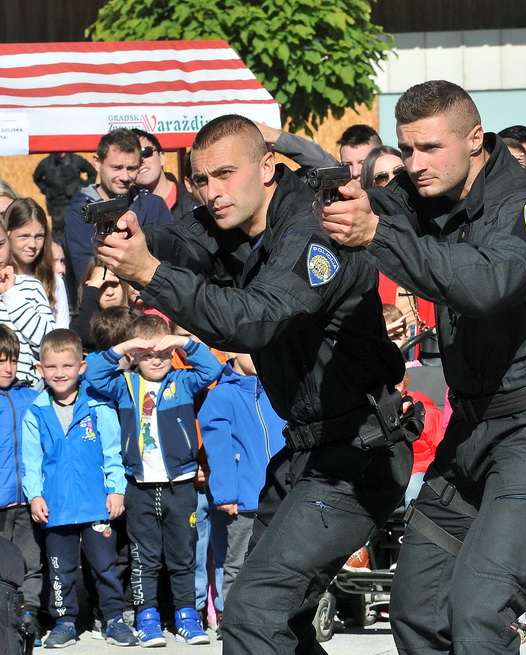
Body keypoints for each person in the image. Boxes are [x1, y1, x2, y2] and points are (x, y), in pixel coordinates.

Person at [94, 113, 411, 654]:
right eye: (201, 180)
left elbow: (254, 318)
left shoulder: (313, 231)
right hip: (308, 451)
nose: (212, 193)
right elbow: (182, 240)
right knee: (275, 620)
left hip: (360, 451)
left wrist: (147, 272)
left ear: (268, 167)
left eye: (224, 175)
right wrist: (134, 236)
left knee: (253, 614)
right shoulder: (234, 218)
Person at [316, 79, 526, 655]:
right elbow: (373, 208)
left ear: (475, 139)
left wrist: (375, 234)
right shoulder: (427, 192)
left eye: (430, 148)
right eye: (406, 149)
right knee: (416, 610)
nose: (415, 165)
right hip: (467, 428)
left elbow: (485, 284)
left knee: (479, 614)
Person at [85, 315, 222, 646]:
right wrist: (127, 347)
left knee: (182, 555)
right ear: (134, 357)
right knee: (144, 557)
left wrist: (180, 342)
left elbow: (212, 369)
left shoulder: (182, 382)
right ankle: (147, 618)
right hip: (140, 487)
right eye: (147, 354)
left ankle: (187, 616)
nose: (156, 360)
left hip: (180, 485)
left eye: (161, 353)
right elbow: (93, 372)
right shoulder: (125, 384)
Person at [21, 329, 137, 648]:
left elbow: (113, 452)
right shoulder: (35, 412)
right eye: (52, 367)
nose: (60, 373)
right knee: (61, 572)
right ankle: (65, 622)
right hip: (55, 508)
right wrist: (35, 495)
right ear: (40, 369)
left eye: (67, 366)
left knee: (105, 566)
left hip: (97, 504)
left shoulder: (98, 405)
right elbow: (31, 460)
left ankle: (113, 618)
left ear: (81, 367)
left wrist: (115, 490)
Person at [199, 352, 286, 613]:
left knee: (281, 562)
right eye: (252, 350)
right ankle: (233, 618)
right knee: (238, 563)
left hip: (282, 495)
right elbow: (219, 449)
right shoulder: (221, 396)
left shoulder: (278, 390)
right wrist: (226, 495)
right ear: (232, 352)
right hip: (244, 500)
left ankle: (272, 615)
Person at [62, 128, 173, 292]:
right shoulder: (80, 214)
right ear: (97, 162)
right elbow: (87, 276)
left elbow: (172, 263)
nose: (125, 177)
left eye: (131, 168)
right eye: (117, 167)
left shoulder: (154, 206)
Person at [0, 324, 44, 640]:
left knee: (31, 563)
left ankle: (28, 619)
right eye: (0, 361)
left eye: (12, 360)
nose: (8, 367)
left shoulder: (31, 397)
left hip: (28, 500)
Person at [0, 221, 56, 389]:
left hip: (27, 393)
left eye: (1, 244)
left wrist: (11, 295)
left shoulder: (31, 287)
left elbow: (50, 344)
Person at [3, 197, 70, 328]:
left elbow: (62, 331)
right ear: (7, 234)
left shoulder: (53, 280)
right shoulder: (3, 279)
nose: (32, 244)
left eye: (39, 236)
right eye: (24, 236)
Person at [131, 129, 196, 221]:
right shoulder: (125, 209)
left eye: (146, 152)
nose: (141, 160)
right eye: (133, 158)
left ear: (162, 157)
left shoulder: (194, 198)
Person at [32, 152, 96, 233]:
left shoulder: (76, 159)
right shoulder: (46, 163)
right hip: (57, 205)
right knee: (59, 233)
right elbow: (36, 177)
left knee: (78, 229)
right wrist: (47, 190)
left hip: (75, 201)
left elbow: (92, 172)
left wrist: (84, 189)